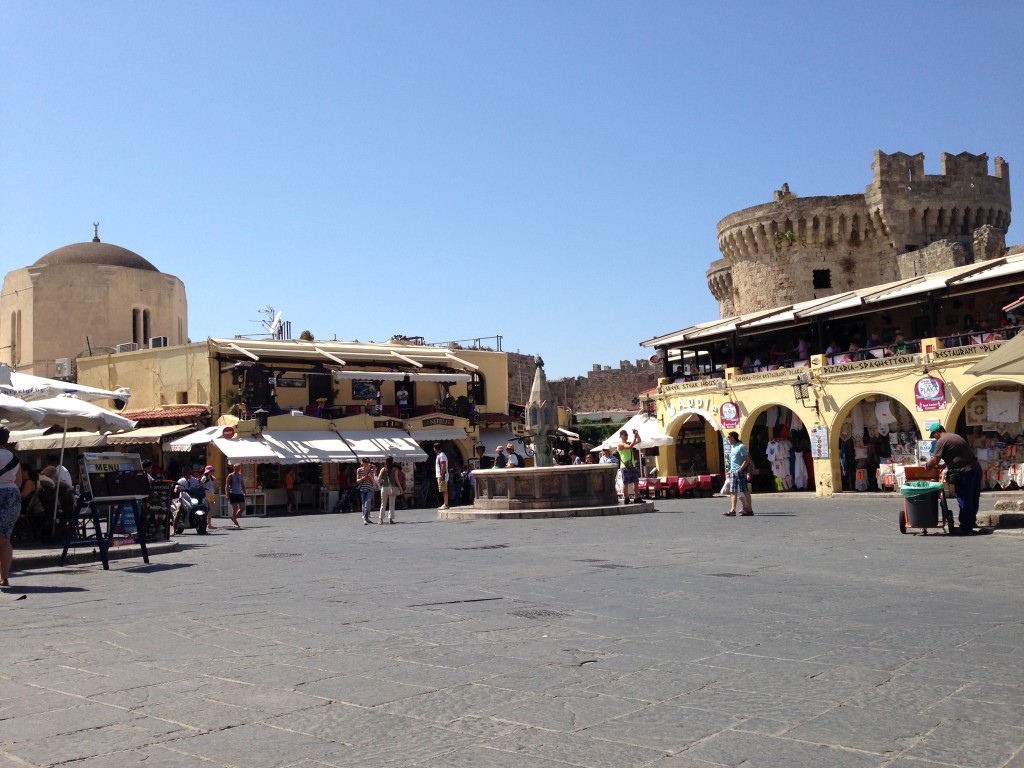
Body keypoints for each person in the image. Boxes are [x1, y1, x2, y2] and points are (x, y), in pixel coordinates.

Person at [926, 426, 983, 534]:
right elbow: (957, 456)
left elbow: (935, 460)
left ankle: (966, 526)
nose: (935, 438)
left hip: (965, 472)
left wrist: (927, 467)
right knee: (973, 497)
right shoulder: (954, 436)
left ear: (936, 433)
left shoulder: (941, 441)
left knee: (964, 498)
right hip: (975, 468)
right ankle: (971, 522)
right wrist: (945, 465)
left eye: (933, 436)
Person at [0, 427, 23, 589]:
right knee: (5, 539)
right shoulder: (14, 458)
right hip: (12, 496)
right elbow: (19, 481)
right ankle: (4, 577)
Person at [724, 431, 753, 516]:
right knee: (733, 492)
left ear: (733, 437)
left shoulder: (741, 447)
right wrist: (730, 470)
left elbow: (747, 460)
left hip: (740, 472)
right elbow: (734, 461)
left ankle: (749, 510)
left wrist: (741, 469)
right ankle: (732, 510)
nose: (728, 439)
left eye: (729, 437)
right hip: (733, 472)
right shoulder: (733, 447)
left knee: (745, 491)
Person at [616, 429, 642, 504]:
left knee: (636, 481)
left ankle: (636, 498)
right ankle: (626, 498)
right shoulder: (620, 444)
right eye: (625, 435)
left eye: (627, 434)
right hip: (625, 466)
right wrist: (634, 437)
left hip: (632, 465)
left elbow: (639, 440)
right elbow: (630, 446)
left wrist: (637, 434)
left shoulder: (627, 442)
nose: (626, 436)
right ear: (621, 436)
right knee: (626, 483)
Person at [376, 456, 403, 524]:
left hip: (384, 488)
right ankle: (390, 520)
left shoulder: (383, 469)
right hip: (392, 488)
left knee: (383, 504)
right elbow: (396, 480)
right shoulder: (395, 469)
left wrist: (383, 481)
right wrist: (400, 488)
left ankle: (381, 520)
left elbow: (379, 479)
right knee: (391, 504)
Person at [225, 464, 246, 529]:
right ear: (233, 468)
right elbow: (227, 485)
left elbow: (242, 484)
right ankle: (235, 522)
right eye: (236, 468)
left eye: (238, 468)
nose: (237, 469)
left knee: (242, 507)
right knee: (235, 508)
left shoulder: (241, 475)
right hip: (233, 493)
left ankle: (234, 517)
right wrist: (227, 494)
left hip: (239, 493)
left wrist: (244, 492)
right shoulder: (230, 476)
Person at [355, 458, 375, 524]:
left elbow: (372, 480)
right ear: (363, 463)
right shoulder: (359, 470)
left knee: (367, 503)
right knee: (364, 504)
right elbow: (357, 481)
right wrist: (362, 478)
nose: (367, 464)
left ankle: (366, 519)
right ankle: (366, 518)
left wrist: (372, 481)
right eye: (366, 462)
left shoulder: (371, 470)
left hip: (369, 489)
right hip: (362, 489)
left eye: (368, 462)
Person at [200, 465, 217, 530]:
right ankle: (208, 524)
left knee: (211, 509)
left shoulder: (212, 477)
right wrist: (204, 482)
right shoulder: (204, 477)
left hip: (211, 493)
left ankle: (209, 524)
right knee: (209, 508)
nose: (212, 472)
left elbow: (213, 485)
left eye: (212, 471)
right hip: (206, 493)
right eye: (211, 471)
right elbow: (201, 485)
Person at [434, 443, 449, 510]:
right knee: (443, 489)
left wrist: (442, 475)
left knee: (444, 490)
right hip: (441, 475)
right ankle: (445, 503)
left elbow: (443, 465)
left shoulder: (442, 455)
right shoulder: (439, 455)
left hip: (442, 475)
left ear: (435, 448)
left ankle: (446, 504)